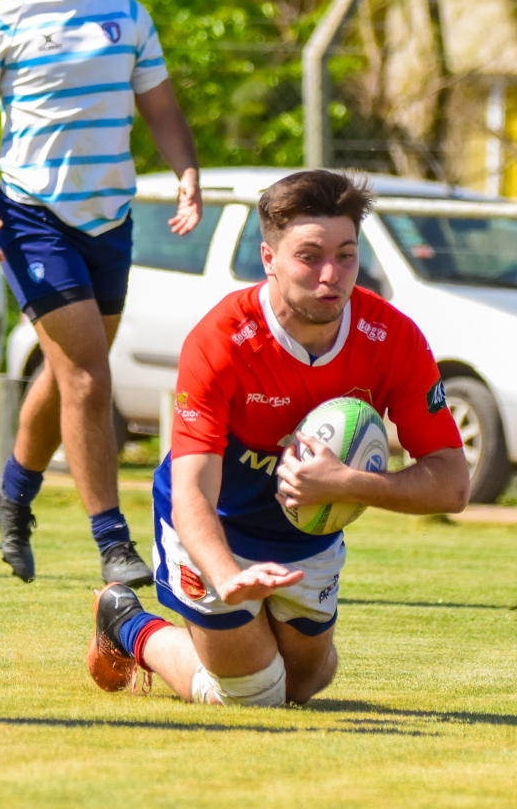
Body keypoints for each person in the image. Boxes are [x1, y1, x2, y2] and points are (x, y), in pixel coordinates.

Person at [84, 171, 469, 707]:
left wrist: (348, 483)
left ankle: (266, 637)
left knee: (304, 686)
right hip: (215, 528)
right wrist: (226, 577)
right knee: (254, 695)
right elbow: (193, 489)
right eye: (309, 256)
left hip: (306, 538)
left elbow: (451, 483)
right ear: (269, 259)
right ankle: (128, 623)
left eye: (346, 255)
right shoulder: (221, 340)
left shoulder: (394, 341)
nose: (331, 275)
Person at [0, 0, 203, 587]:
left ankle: (12, 490)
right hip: (32, 216)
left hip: (109, 217)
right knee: (88, 373)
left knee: (69, 372)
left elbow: (162, 109)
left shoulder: (128, 17)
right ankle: (113, 542)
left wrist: (186, 171)